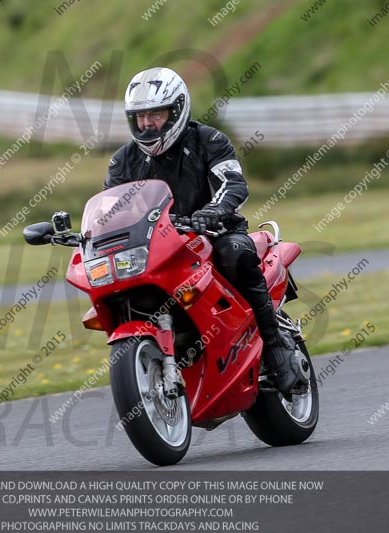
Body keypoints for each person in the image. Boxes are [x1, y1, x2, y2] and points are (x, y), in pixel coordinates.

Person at [104, 67, 301, 394]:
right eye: (139, 116)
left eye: (156, 113)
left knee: (234, 253)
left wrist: (211, 213)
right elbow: (112, 210)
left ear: (178, 110)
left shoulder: (208, 140)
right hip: (158, 246)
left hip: (215, 233)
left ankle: (275, 345)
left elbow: (233, 184)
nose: (147, 123)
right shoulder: (123, 161)